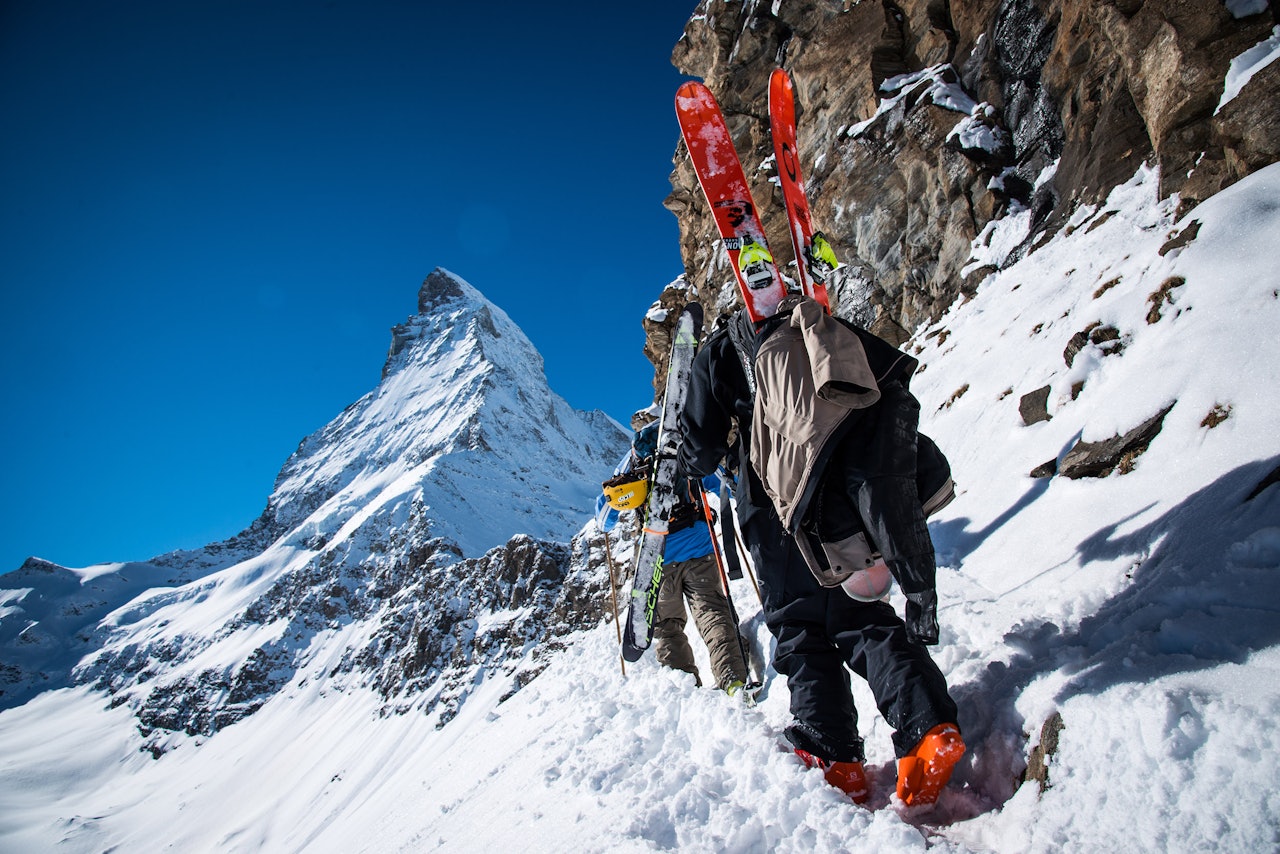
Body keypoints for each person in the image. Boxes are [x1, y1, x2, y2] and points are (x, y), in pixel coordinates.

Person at [677, 294, 964, 807]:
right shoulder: (817, 320)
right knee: (862, 616)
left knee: (799, 628)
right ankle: (927, 725)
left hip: (772, 507)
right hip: (840, 501)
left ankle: (831, 750)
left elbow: (698, 449)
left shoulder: (722, 349)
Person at [598, 422, 753, 696]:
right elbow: (723, 481)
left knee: (667, 628)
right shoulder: (687, 449)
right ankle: (733, 680)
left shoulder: (631, 463)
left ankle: (685, 692)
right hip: (700, 548)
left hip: (657, 558)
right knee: (714, 613)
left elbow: (604, 517)